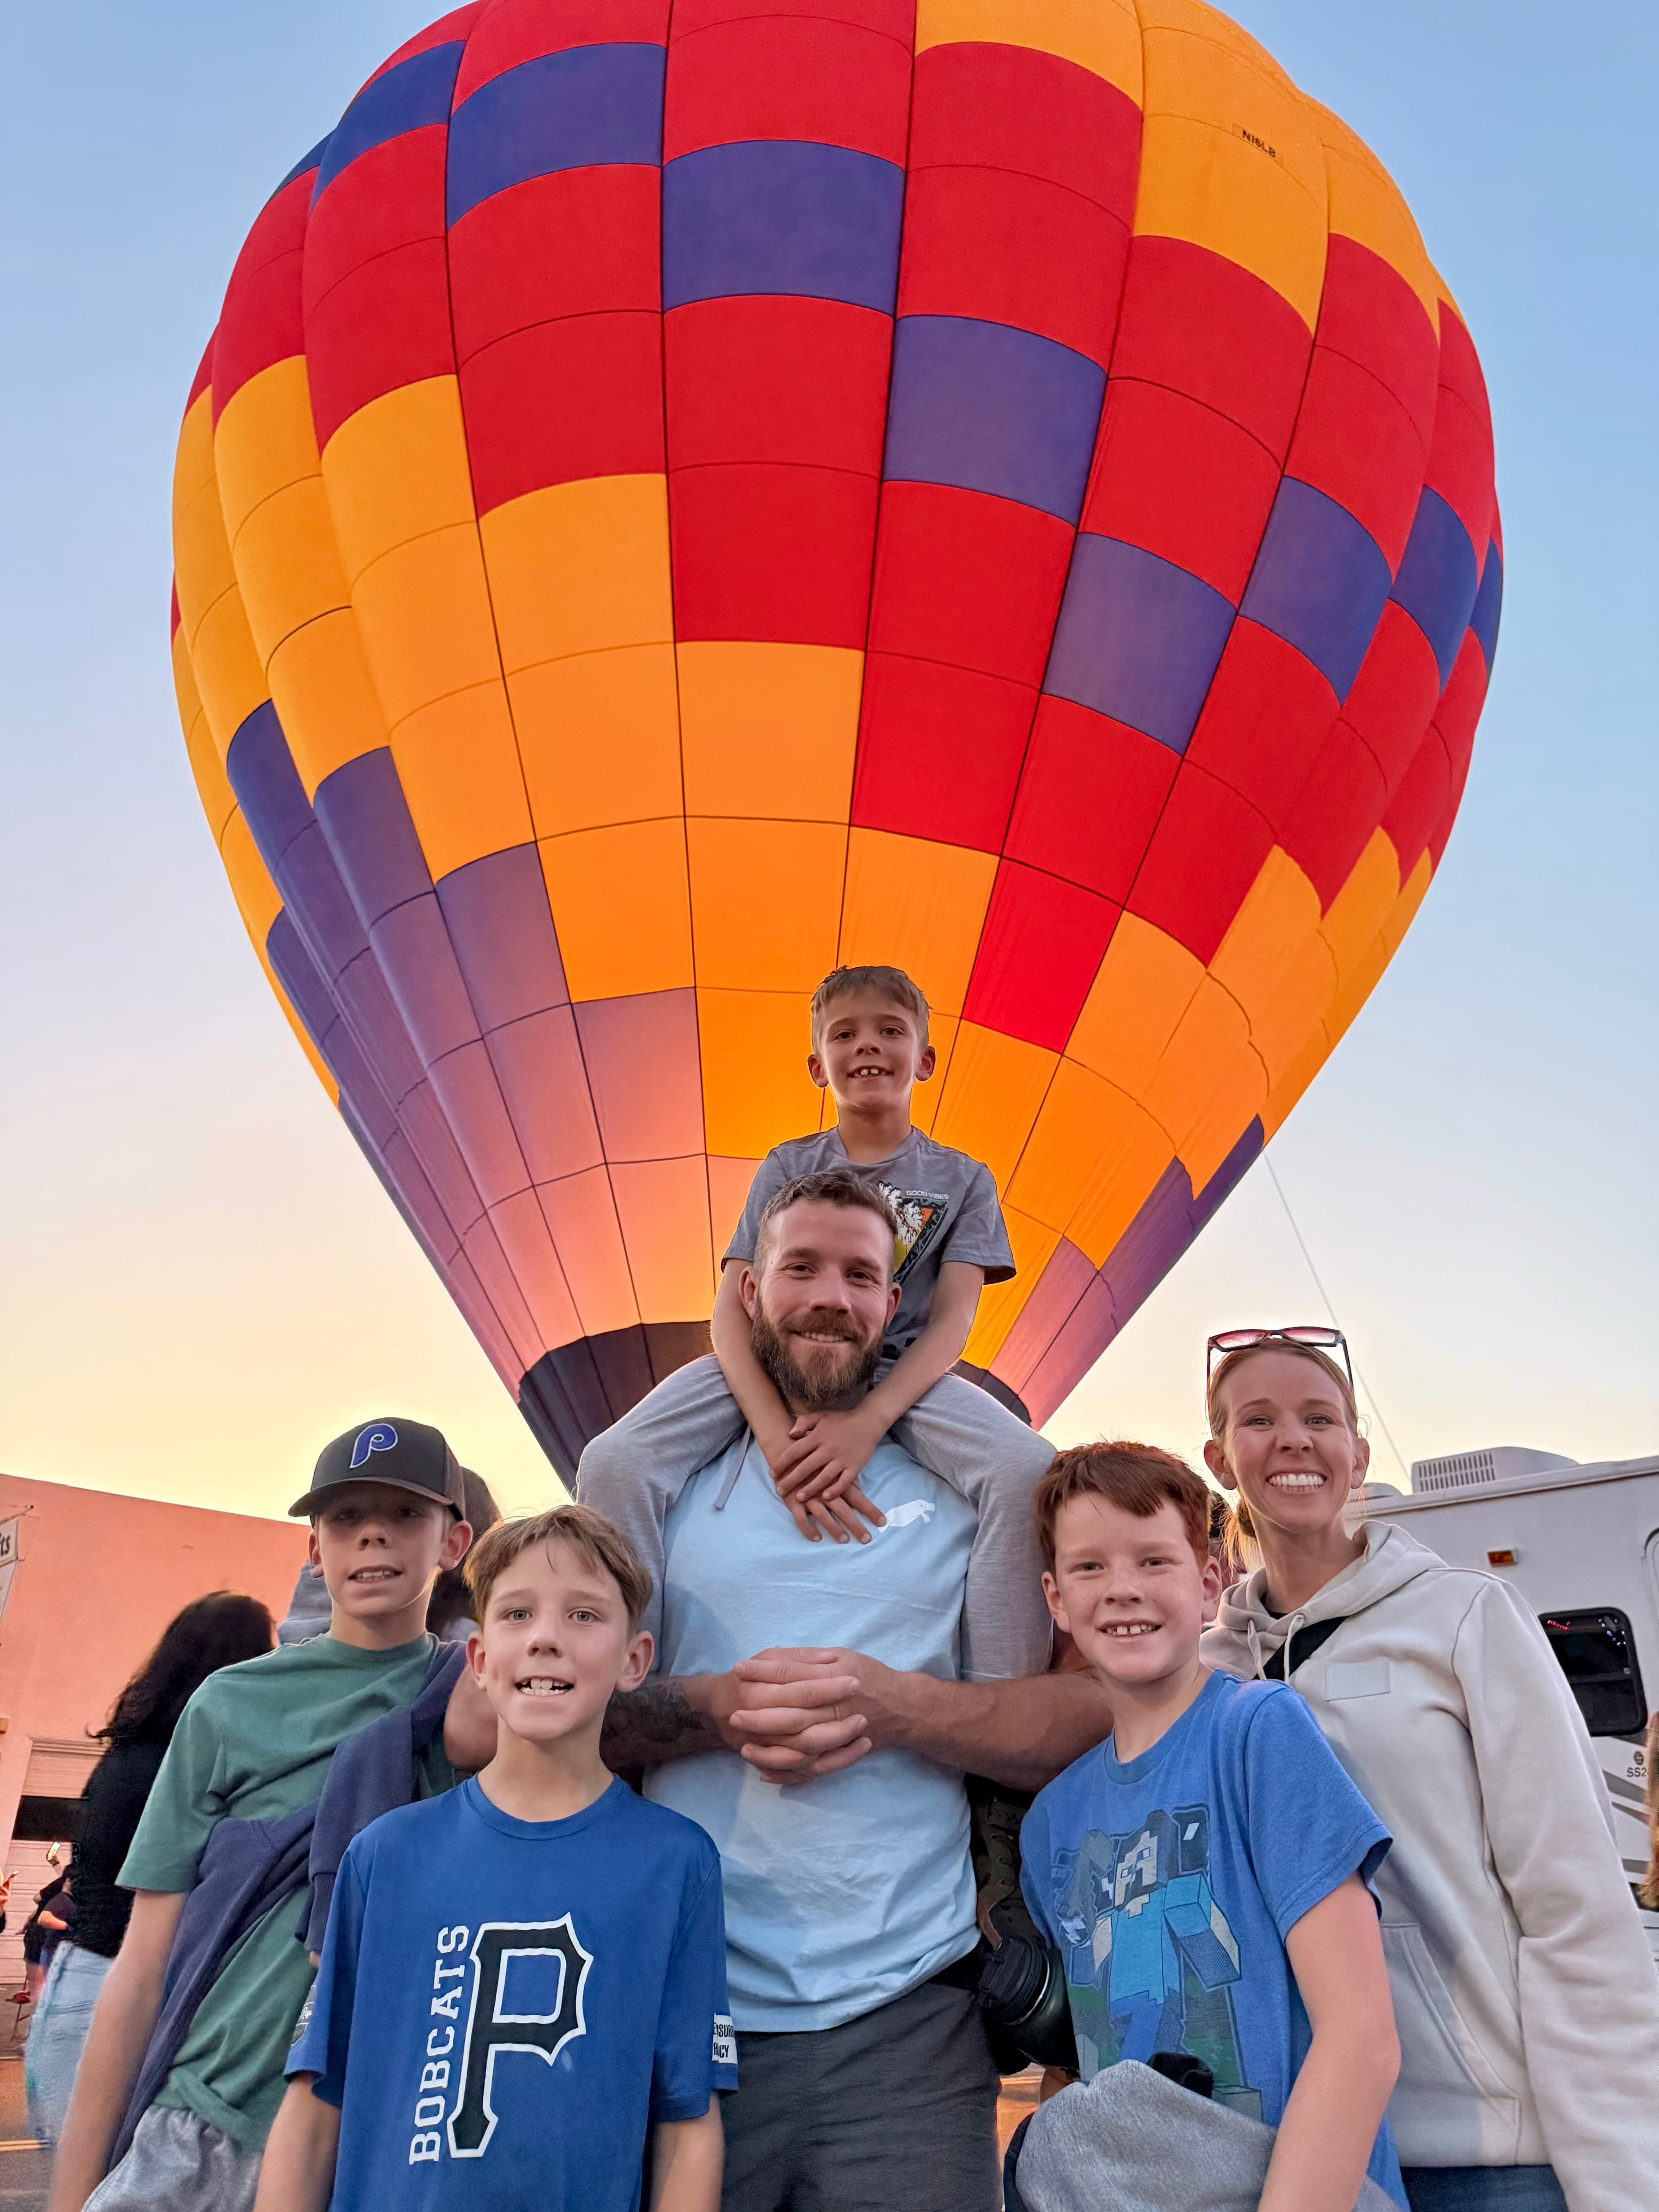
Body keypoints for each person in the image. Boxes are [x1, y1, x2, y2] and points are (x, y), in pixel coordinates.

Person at [585, 1171, 1116, 2212]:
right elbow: (551, 1721)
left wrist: (902, 1707)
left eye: (861, 1275)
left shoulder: (969, 1501)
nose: (831, 1295)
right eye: (801, 1267)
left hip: (907, 2021)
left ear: (894, 1307)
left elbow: (1068, 1716)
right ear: (747, 1292)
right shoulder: (668, 1485)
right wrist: (709, 1708)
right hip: (689, 2013)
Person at [1199, 1328, 1659, 2212]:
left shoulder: (1463, 1616)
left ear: (1359, 1452)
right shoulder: (1210, 1672)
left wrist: (1619, 2177)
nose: (1292, 1439)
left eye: (1319, 1417)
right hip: (1305, 2157)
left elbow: (1575, 1905)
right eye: (1258, 1419)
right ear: (1221, 1457)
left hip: (1489, 2158)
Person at [48, 1418, 498, 2212]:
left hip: (378, 2137)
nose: (373, 1538)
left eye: (403, 1516)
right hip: (201, 2125)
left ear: (454, 1541)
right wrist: (73, 2193)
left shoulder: (474, 1703)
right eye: (346, 1518)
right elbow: (144, 1963)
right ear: (315, 1550)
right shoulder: (229, 1703)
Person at [578, 963, 1056, 1684]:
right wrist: (776, 1437)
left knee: (1027, 1468)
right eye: (845, 1033)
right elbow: (731, 1311)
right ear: (816, 1064)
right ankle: (621, 1692)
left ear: (925, 1060)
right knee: (613, 1462)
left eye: (891, 1031)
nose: (868, 1046)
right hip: (773, 1357)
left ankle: (1002, 1712)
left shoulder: (963, 1180)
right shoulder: (787, 1164)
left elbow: (953, 1324)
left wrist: (868, 1423)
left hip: (900, 1371)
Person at [256, 1504, 733, 2212]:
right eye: (515, 1615)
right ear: (478, 1662)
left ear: (634, 1661)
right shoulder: (386, 1854)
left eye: (583, 1616)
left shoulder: (675, 1862)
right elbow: (315, 2100)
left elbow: (689, 2120)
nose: (545, 1639)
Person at [1018, 1440, 1405, 2209]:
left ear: (1208, 1587)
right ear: (1056, 1600)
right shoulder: (1051, 1825)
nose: (1122, 1590)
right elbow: (1079, 2073)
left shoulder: (1258, 1733)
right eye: (1090, 1568)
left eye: (1153, 1562)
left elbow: (1361, 2038)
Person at [24, 1593, 276, 2145]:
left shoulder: (125, 1754)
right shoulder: (196, 1762)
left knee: (85, 2177)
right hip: (140, 1991)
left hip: (79, 1977)